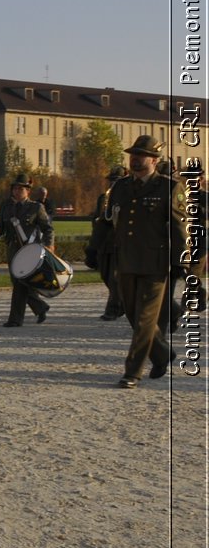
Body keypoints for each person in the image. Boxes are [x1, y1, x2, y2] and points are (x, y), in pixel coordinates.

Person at [105, 135, 187, 388]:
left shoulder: (169, 187)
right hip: (127, 260)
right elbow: (113, 224)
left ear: (154, 160)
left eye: (140, 155)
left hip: (155, 263)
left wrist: (181, 261)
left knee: (144, 321)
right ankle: (162, 353)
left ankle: (132, 372)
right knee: (131, 314)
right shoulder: (120, 187)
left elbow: (180, 227)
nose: (135, 159)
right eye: (133, 155)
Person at [0, 173, 54, 327]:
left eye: (21, 188)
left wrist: (49, 244)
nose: (17, 191)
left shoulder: (36, 207)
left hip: (29, 250)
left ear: (28, 191)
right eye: (15, 188)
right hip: (13, 250)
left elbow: (48, 229)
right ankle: (40, 307)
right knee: (20, 282)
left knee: (21, 282)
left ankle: (15, 319)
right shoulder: (6, 206)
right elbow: (1, 226)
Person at [88, 165, 126, 320]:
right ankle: (122, 303)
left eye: (116, 180)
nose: (112, 183)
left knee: (114, 277)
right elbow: (99, 219)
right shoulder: (103, 197)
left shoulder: (126, 197)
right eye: (111, 180)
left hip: (119, 241)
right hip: (105, 242)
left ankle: (112, 309)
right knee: (104, 275)